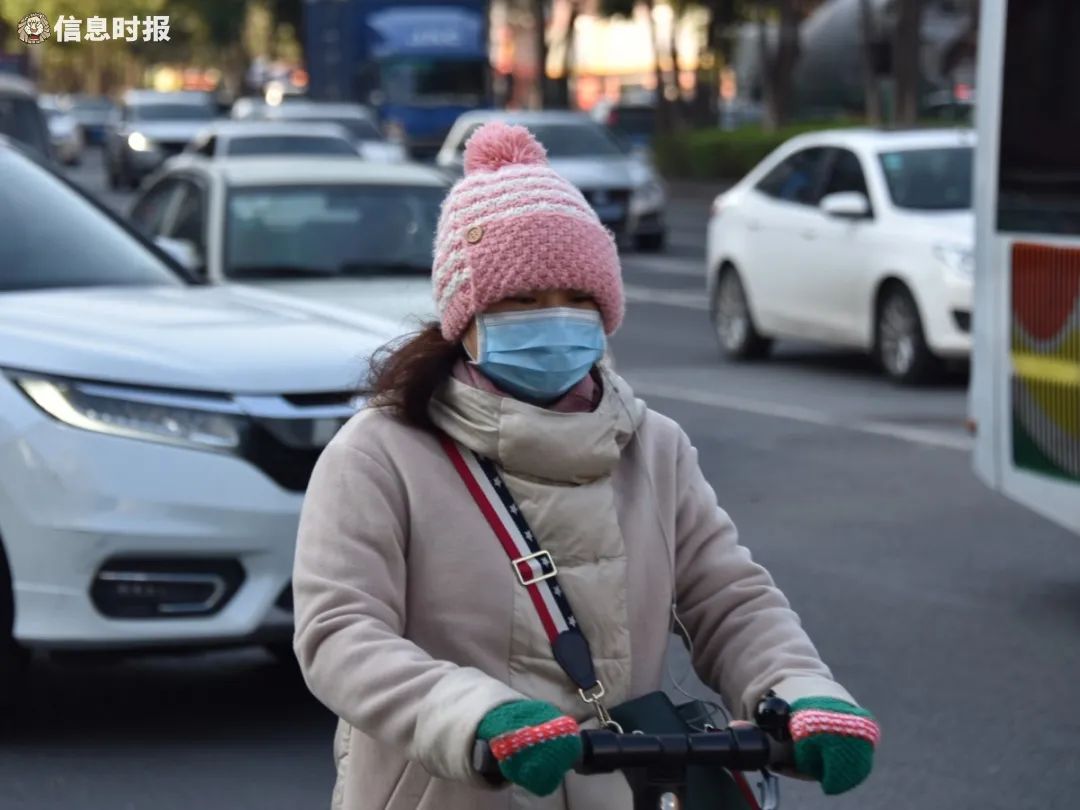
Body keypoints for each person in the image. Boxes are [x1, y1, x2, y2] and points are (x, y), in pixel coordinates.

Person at [293, 122, 880, 810]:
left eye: (577, 299)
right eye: (522, 300)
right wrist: (474, 717)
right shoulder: (380, 452)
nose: (556, 318)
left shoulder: (654, 447)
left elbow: (729, 599)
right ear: (467, 316)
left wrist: (802, 691)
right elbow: (341, 634)